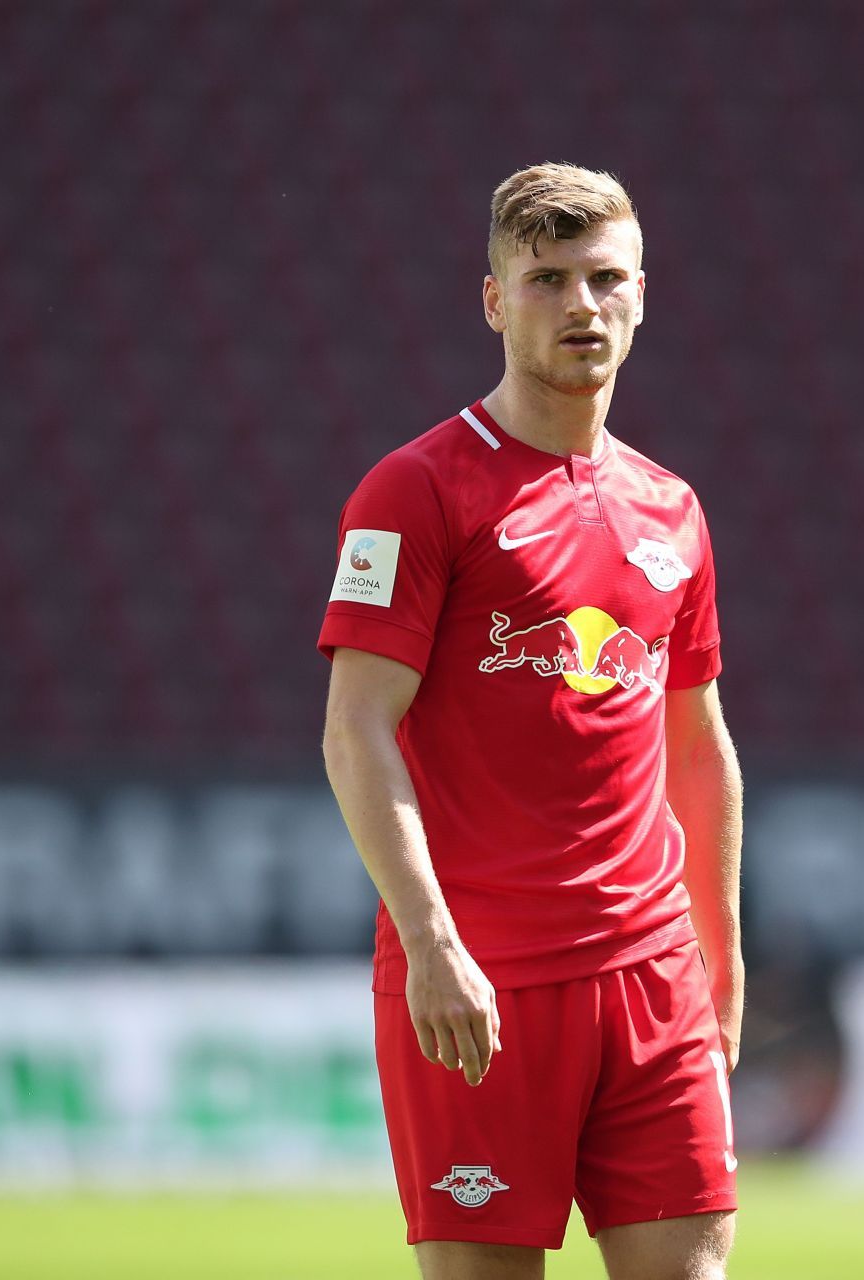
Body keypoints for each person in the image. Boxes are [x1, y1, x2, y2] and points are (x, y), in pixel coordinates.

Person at [318, 163, 743, 1279]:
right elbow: (353, 731)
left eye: (605, 278)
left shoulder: (673, 508)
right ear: (496, 300)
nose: (581, 305)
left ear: (643, 293)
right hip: (484, 979)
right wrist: (430, 941)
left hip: (653, 977)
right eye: (548, 279)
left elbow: (697, 743)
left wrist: (722, 949)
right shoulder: (414, 492)